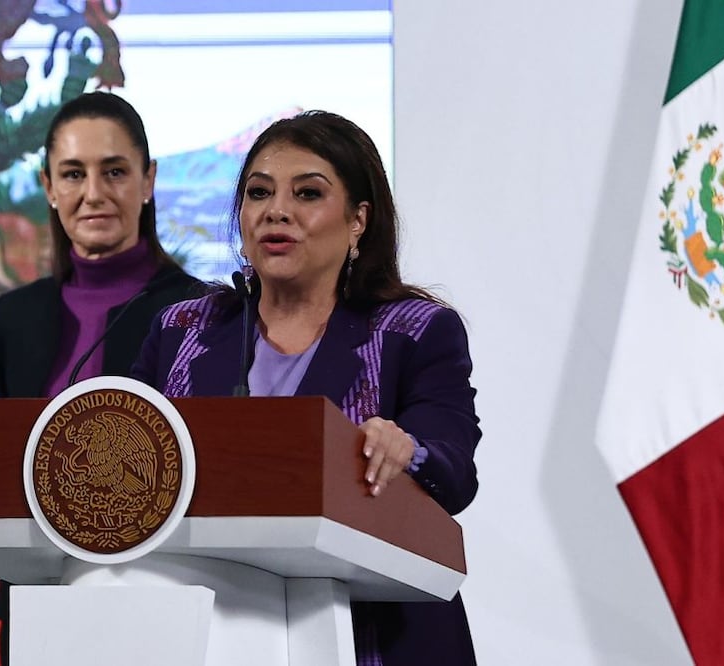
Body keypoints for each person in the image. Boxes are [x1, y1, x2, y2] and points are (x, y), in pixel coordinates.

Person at [131, 110, 481, 664]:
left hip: (376, 636)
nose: (277, 211)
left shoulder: (414, 331)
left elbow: (454, 469)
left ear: (358, 220)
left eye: (308, 193)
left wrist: (407, 451)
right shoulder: (182, 330)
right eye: (259, 192)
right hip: (213, 632)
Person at [0, 91, 202, 665]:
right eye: (74, 174)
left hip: (162, 598)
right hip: (35, 599)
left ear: (148, 180)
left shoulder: (202, 312)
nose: (94, 194)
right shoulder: (13, 317)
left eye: (115, 172)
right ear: (50, 186)